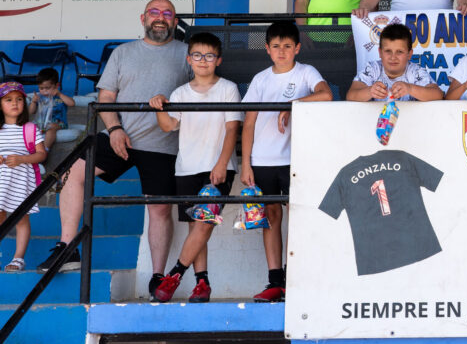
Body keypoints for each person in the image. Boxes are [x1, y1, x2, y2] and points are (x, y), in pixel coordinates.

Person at [39, 0, 190, 291]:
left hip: (163, 142)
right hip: (121, 136)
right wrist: (116, 129)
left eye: (167, 13)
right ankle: (68, 248)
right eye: (154, 13)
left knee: (158, 209)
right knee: (72, 173)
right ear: (143, 17)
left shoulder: (186, 54)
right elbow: (106, 99)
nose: (160, 18)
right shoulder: (123, 52)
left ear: (174, 21)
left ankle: (157, 277)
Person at [241, 21, 332, 302]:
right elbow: (249, 123)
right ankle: (275, 281)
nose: (282, 52)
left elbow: (326, 94)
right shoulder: (260, 79)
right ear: (267, 49)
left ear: (298, 48)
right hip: (263, 159)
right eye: (276, 46)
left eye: (288, 46)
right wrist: (246, 163)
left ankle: (298, 279)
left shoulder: (306, 72)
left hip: (296, 159)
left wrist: (291, 105)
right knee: (270, 216)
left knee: (300, 215)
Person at [148, 32, 243, 303]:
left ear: (218, 60)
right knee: (196, 228)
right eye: (198, 55)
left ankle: (174, 275)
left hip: (217, 168)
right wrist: (158, 106)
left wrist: (223, 163)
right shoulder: (180, 92)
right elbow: (168, 126)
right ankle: (202, 283)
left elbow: (232, 127)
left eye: (209, 56)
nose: (203, 61)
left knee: (203, 225)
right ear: (189, 59)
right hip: (186, 168)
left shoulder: (228, 88)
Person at [0, 82, 47, 273]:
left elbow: (41, 154)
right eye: (8, 100)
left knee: (21, 219)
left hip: (21, 180)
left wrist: (21, 159)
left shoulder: (30, 129)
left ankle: (18, 258)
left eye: (19, 99)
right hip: (1, 181)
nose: (15, 103)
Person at [347, 24, 443, 102]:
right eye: (388, 51)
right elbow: (351, 95)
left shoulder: (415, 71)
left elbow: (438, 95)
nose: (393, 57)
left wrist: (410, 89)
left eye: (399, 52)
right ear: (380, 52)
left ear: (409, 54)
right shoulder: (372, 69)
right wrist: (369, 91)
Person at [29, 67, 75, 152]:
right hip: (41, 123)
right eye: (41, 88)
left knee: (50, 129)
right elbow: (31, 112)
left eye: (48, 88)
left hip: (58, 123)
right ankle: (30, 149)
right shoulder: (39, 96)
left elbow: (72, 103)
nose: (44, 91)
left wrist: (60, 94)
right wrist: (33, 102)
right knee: (29, 128)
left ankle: (45, 150)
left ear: (57, 85)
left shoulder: (60, 96)